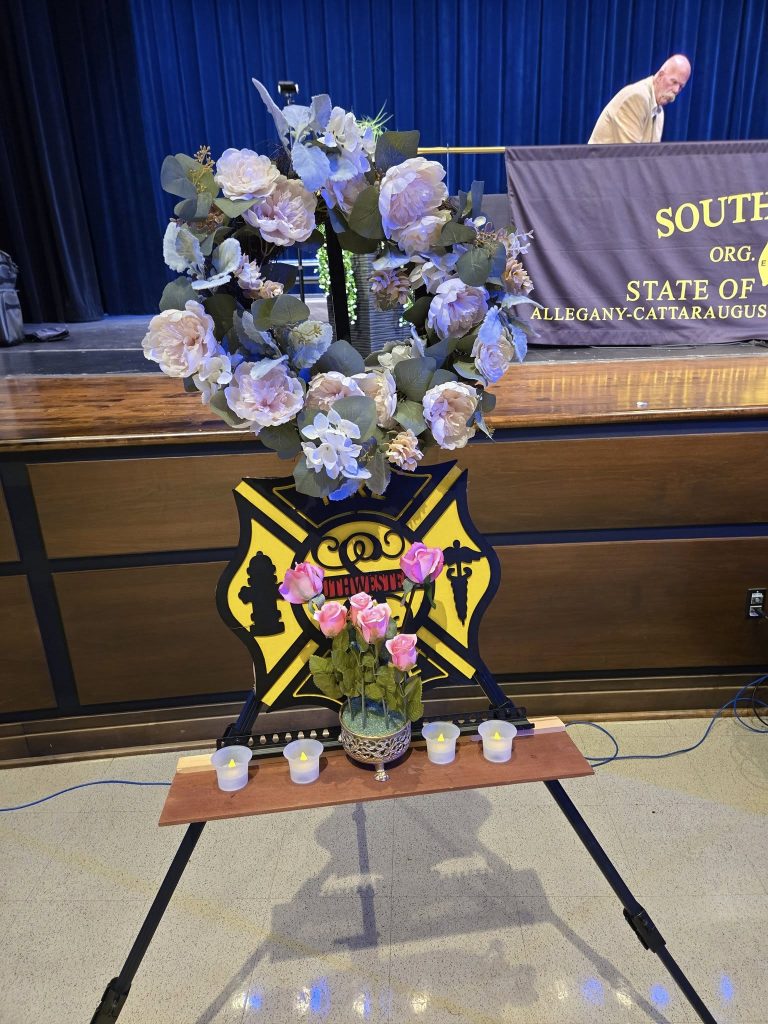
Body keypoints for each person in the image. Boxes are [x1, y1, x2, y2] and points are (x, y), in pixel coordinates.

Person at [588, 55, 691, 144]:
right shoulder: (637, 97)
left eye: (681, 86)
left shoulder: (659, 112)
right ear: (660, 76)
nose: (676, 90)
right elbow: (631, 156)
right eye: (674, 82)